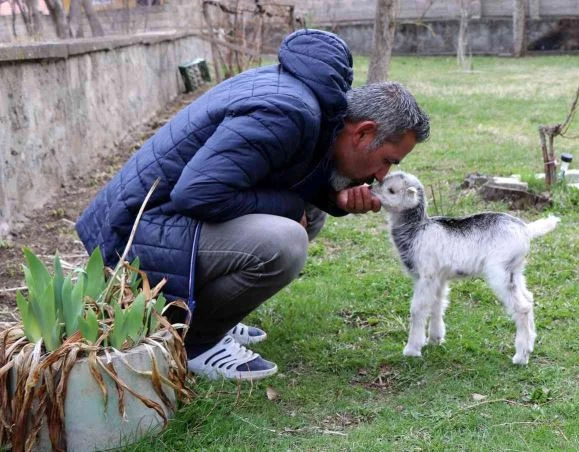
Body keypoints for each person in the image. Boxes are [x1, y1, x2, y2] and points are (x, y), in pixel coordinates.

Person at [75, 29, 430, 381]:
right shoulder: (287, 113)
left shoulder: (311, 101)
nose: (383, 175)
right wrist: (291, 206)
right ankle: (196, 342)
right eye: (387, 160)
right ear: (364, 132)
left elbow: (279, 171)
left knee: (312, 214)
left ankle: (214, 316)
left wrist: (334, 196)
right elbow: (198, 193)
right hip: (131, 233)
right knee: (285, 242)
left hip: (151, 216)